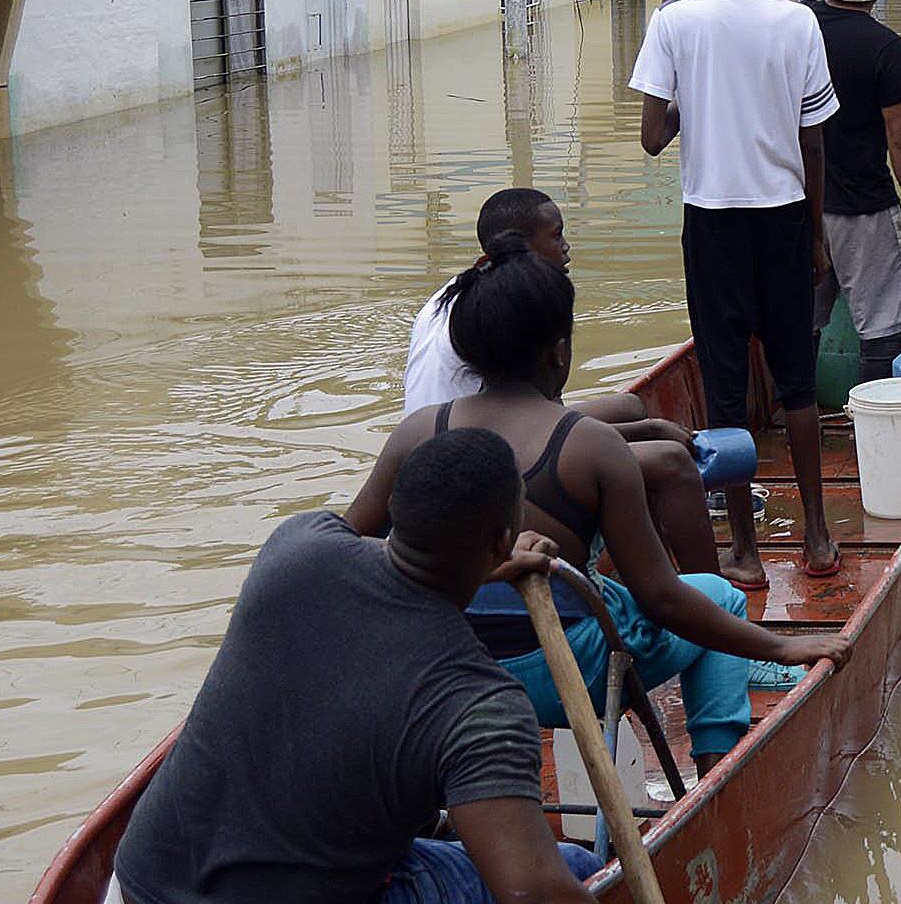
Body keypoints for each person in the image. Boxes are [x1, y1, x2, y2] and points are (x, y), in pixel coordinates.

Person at [347, 258, 847, 776]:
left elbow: (341, 545)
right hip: (564, 674)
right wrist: (783, 645)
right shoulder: (592, 447)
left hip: (448, 667)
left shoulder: (416, 431)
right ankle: (715, 775)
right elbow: (662, 598)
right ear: (559, 352)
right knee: (721, 596)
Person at [115, 428, 597, 904]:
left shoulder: (296, 545)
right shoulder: (478, 703)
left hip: (138, 885)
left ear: (394, 509)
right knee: (577, 868)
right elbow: (529, 891)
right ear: (500, 543)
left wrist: (481, 562)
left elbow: (385, 565)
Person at [630, 0, 843, 582]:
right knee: (797, 384)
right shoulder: (797, 23)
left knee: (725, 391)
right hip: (783, 218)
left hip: (712, 225)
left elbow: (653, 138)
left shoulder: (673, 22)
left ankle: (745, 553)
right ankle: (815, 538)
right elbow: (814, 144)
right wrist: (815, 239)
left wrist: (699, 94)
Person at [403, 190, 725, 579]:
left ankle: (645, 559)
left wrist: (643, 427)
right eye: (557, 236)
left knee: (632, 408)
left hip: (480, 421)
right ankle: (702, 592)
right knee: (670, 462)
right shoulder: (517, 307)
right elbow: (533, 426)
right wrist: (640, 435)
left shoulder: (465, 289)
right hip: (478, 452)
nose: (567, 248)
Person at [804, 0, 901, 377]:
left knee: (806, 319)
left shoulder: (799, 25)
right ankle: (874, 428)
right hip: (862, 207)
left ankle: (797, 416)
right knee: (881, 325)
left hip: (799, 203)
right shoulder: (884, 47)